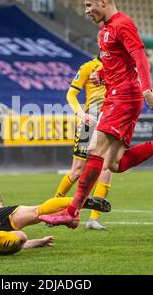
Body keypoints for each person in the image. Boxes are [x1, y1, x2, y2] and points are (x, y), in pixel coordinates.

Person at [39, 0, 153, 228]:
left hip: (124, 97)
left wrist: (147, 89)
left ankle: (72, 211)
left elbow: (140, 58)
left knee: (93, 150)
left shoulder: (123, 24)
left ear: (103, 2)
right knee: (114, 164)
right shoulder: (104, 31)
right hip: (116, 95)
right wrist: (101, 75)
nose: (86, 10)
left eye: (89, 5)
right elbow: (120, 64)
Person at [54, 52, 112, 230]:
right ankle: (55, 205)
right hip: (90, 120)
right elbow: (71, 94)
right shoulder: (89, 67)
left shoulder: (118, 66)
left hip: (108, 120)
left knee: (106, 170)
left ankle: (93, 219)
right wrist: (80, 113)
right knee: (77, 170)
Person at [0, 191, 111, 255]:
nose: (0, 205)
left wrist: (39, 243)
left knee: (20, 239)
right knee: (37, 211)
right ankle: (78, 202)